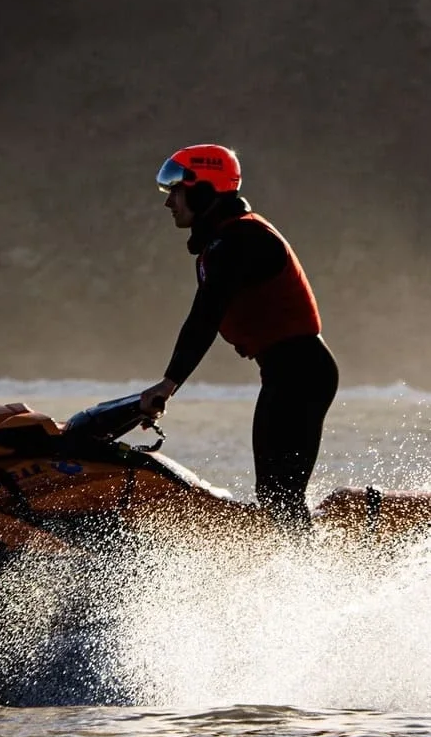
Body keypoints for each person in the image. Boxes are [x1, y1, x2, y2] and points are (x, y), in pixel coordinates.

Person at [136, 144, 336, 532]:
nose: (168, 203)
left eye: (175, 191)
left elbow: (205, 315)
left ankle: (310, 563)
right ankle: (297, 555)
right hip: (287, 373)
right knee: (274, 493)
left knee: (280, 494)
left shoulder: (242, 240)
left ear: (203, 191)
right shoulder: (224, 240)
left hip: (302, 373)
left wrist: (168, 383)